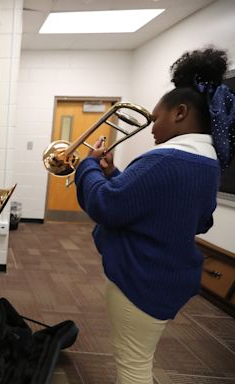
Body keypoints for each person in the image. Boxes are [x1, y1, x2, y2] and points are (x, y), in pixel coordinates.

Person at [74, 47, 235, 384]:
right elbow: (171, 211)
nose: (150, 129)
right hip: (168, 276)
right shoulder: (207, 163)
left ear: (180, 112)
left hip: (142, 279)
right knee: (138, 359)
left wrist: (86, 165)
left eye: (155, 119)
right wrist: (113, 172)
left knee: (133, 368)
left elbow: (106, 205)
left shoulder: (164, 160)